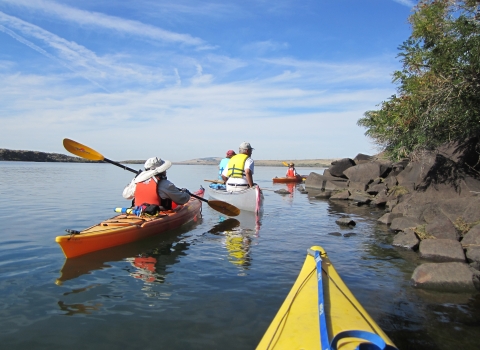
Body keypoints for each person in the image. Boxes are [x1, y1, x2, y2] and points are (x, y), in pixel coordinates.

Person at [122, 157, 190, 210]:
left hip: (139, 212)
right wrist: (186, 194)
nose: (165, 171)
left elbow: (126, 195)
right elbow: (182, 200)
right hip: (159, 214)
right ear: (161, 170)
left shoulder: (136, 182)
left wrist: (134, 180)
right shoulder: (166, 184)